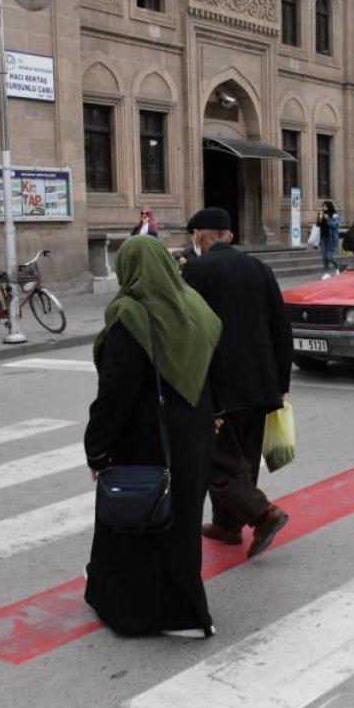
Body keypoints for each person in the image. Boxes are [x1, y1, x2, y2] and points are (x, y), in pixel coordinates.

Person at [83, 236, 224, 639]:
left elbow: (115, 393)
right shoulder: (194, 305)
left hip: (147, 438)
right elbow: (217, 361)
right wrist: (216, 413)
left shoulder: (130, 314)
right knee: (180, 525)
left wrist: (97, 448)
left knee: (139, 520)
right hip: (193, 436)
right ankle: (188, 610)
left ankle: (157, 613)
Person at [181, 207, 292, 558]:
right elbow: (281, 328)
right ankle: (228, 527)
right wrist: (281, 381)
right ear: (228, 235)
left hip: (219, 386)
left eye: (194, 236)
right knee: (243, 457)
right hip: (261, 384)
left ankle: (263, 514)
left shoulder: (195, 270)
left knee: (218, 461)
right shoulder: (259, 268)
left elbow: (188, 330)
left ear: (201, 235)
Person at [318, 201, 341, 278]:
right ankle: (326, 272)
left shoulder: (335, 215)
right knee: (324, 257)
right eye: (323, 206)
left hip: (331, 238)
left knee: (329, 256)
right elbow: (318, 225)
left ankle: (337, 266)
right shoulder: (322, 214)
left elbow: (334, 225)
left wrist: (328, 219)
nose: (323, 208)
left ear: (329, 206)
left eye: (325, 206)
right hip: (322, 238)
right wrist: (319, 218)